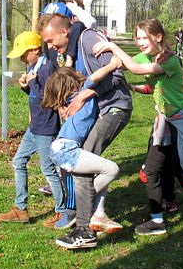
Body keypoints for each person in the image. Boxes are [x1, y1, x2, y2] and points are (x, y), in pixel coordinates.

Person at [93, 19, 183, 243]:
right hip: (165, 121)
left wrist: (114, 47)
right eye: (138, 38)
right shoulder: (148, 57)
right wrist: (128, 82)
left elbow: (134, 67)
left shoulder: (171, 60)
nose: (140, 42)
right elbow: (140, 74)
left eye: (144, 37)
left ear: (159, 37)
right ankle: (157, 221)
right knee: (152, 170)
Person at [38, 13, 132, 249]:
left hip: (114, 108)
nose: (49, 47)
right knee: (88, 166)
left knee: (86, 168)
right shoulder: (71, 53)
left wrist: (84, 95)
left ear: (64, 32)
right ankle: (92, 216)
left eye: (50, 41)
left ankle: (84, 225)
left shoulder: (88, 39)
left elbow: (117, 74)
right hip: (97, 113)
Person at [0, 31, 73, 230]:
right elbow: (36, 94)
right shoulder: (35, 66)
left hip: (46, 128)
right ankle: (21, 209)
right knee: (18, 161)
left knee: (49, 170)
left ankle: (63, 211)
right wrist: (26, 87)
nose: (21, 58)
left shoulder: (47, 69)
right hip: (34, 128)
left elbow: (48, 98)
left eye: (24, 53)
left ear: (36, 50)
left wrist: (31, 82)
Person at [41, 64, 122, 249]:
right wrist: (113, 63)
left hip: (61, 149)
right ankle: (84, 200)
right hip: (66, 150)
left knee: (102, 171)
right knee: (112, 169)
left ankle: (95, 213)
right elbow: (95, 76)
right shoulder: (81, 94)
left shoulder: (70, 100)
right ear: (74, 83)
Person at [132, 66, 183, 212]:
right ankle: (169, 200)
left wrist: (177, 96)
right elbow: (148, 88)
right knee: (162, 168)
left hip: (180, 131)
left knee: (180, 169)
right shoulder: (163, 85)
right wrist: (132, 87)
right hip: (162, 130)